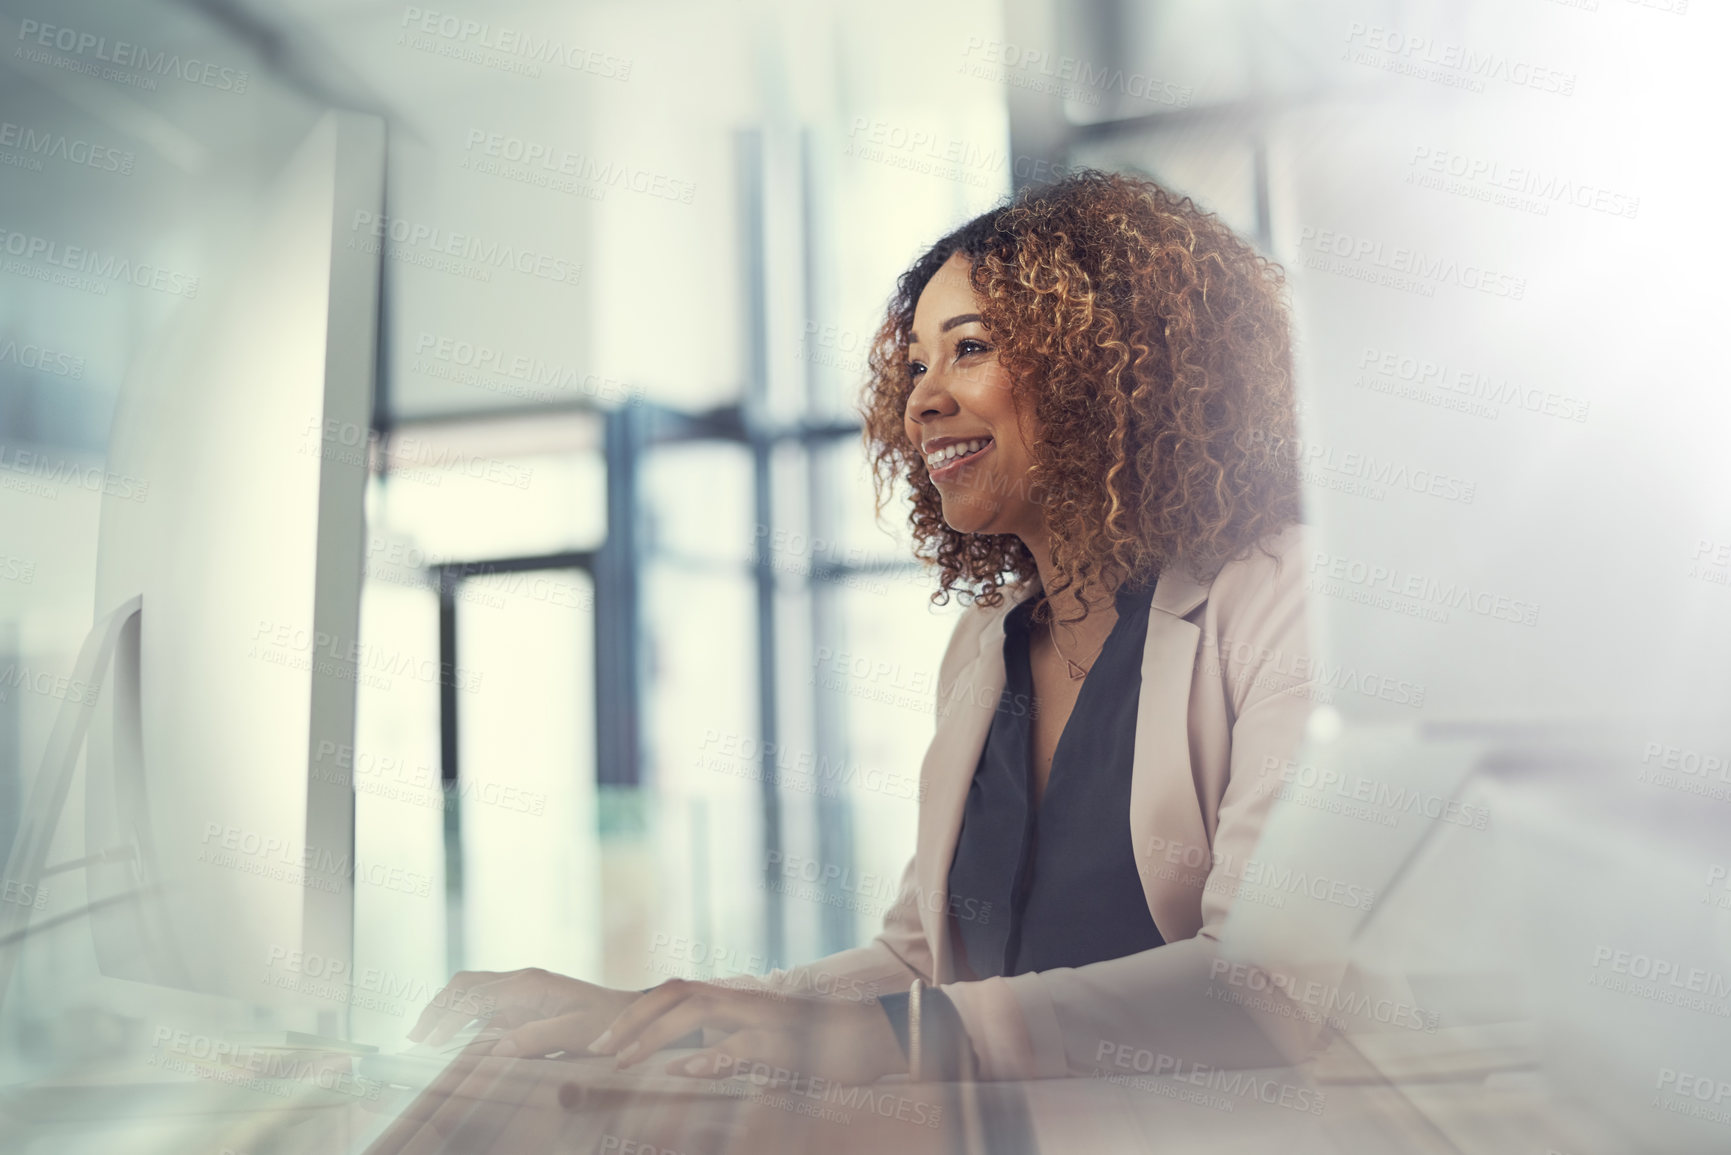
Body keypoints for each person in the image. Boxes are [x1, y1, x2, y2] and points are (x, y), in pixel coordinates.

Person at [408, 170, 1324, 1085]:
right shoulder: (986, 644)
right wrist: (653, 1017)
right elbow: (920, 966)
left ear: (1106, 361)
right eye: (916, 363)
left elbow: (1264, 989)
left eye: (969, 348)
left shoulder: (1280, 597)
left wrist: (907, 1036)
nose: (920, 399)